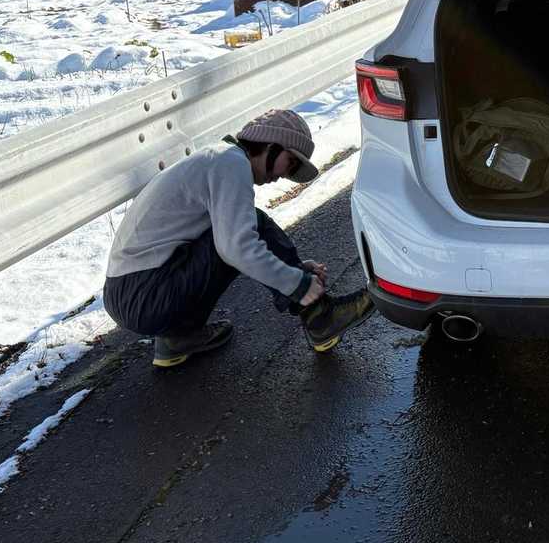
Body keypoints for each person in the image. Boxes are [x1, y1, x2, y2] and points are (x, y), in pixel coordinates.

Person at [103, 108, 375, 367]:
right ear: (271, 146)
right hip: (145, 294)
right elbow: (236, 248)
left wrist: (292, 270)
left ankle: (178, 338)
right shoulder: (231, 163)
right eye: (290, 163)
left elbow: (228, 243)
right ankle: (321, 318)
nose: (285, 176)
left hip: (129, 293)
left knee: (237, 231)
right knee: (252, 225)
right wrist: (298, 284)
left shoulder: (217, 158)